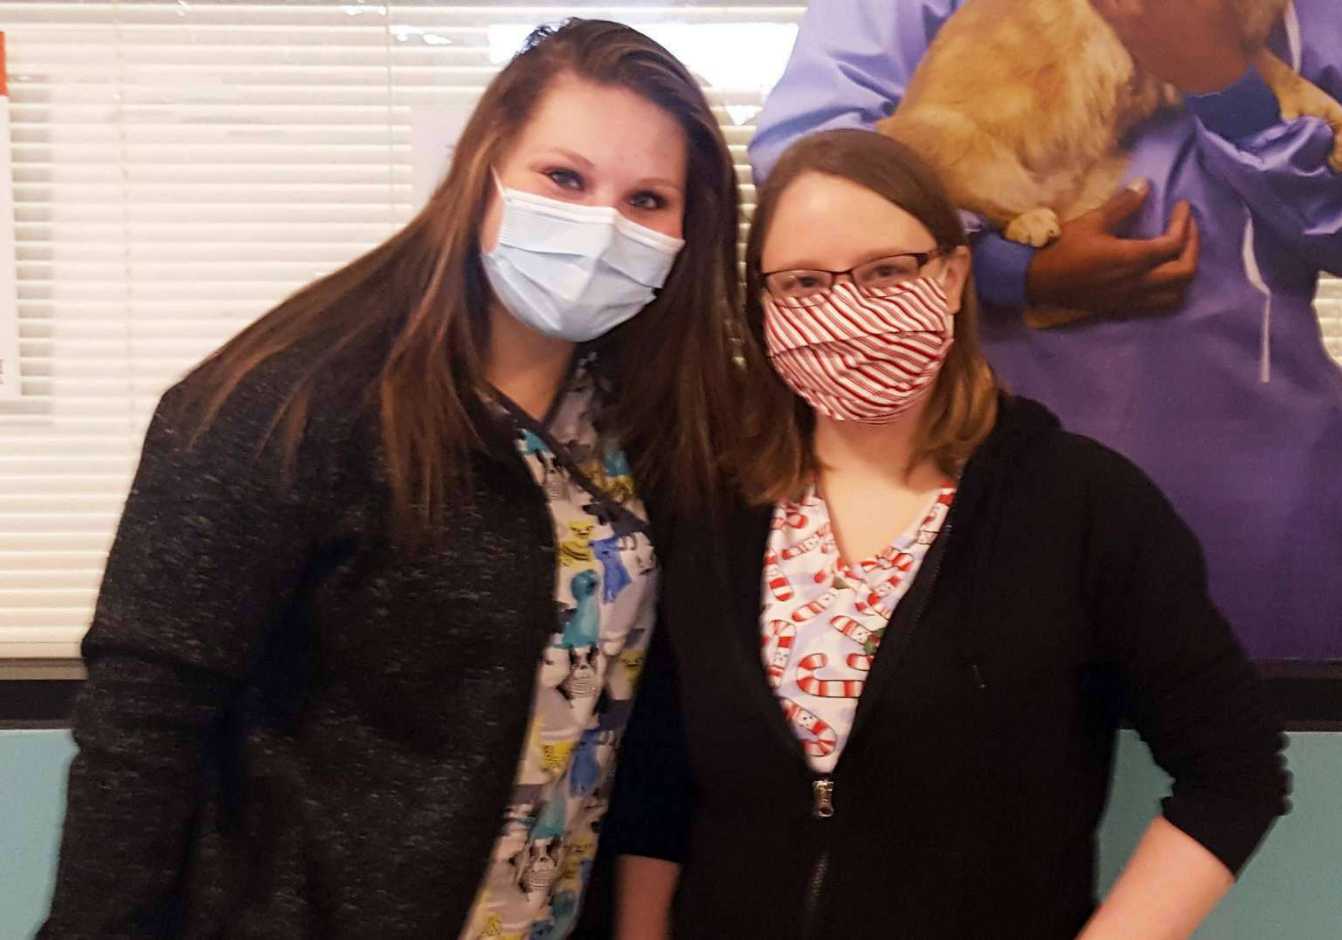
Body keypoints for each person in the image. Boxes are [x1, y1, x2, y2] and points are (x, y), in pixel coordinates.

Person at [40, 19, 741, 939]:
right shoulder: (292, 402)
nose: (602, 224)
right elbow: (144, 719)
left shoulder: (637, 426)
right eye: (564, 178)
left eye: (648, 198)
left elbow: (640, 722)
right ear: (483, 170)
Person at [611, 129, 1288, 939]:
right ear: (762, 306)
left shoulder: (1084, 507)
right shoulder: (713, 509)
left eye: (888, 271)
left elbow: (1236, 773)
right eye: (802, 283)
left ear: (955, 274)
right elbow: (658, 784)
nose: (848, 309)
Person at [746, 0, 1342, 661]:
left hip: (1254, 466)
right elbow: (814, 171)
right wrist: (1009, 266)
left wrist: (1224, 82)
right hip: (985, 442)